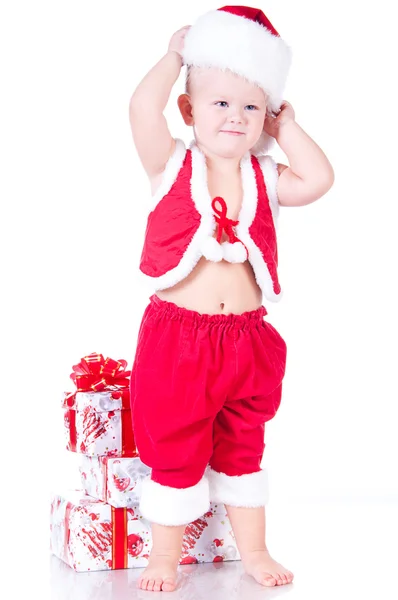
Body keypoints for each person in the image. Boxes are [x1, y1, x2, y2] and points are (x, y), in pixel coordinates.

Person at [128, 5, 334, 593]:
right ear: (191, 109)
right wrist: (174, 56)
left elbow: (318, 180)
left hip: (247, 339)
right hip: (179, 338)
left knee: (245, 446)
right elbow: (143, 108)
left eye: (251, 106)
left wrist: (286, 127)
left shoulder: (266, 175)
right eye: (221, 103)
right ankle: (165, 557)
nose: (237, 117)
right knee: (174, 446)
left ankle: (256, 550)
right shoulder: (171, 165)